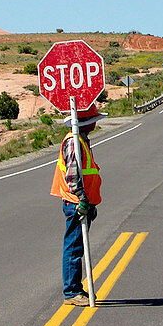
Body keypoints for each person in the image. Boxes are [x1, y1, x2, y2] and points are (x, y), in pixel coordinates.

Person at [49, 103, 105, 306]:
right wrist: (82, 199)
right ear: (85, 123)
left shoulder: (81, 139)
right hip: (75, 202)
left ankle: (75, 289)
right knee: (73, 247)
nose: (96, 123)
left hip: (82, 201)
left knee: (77, 247)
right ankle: (71, 291)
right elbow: (73, 175)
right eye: (93, 120)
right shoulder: (74, 142)